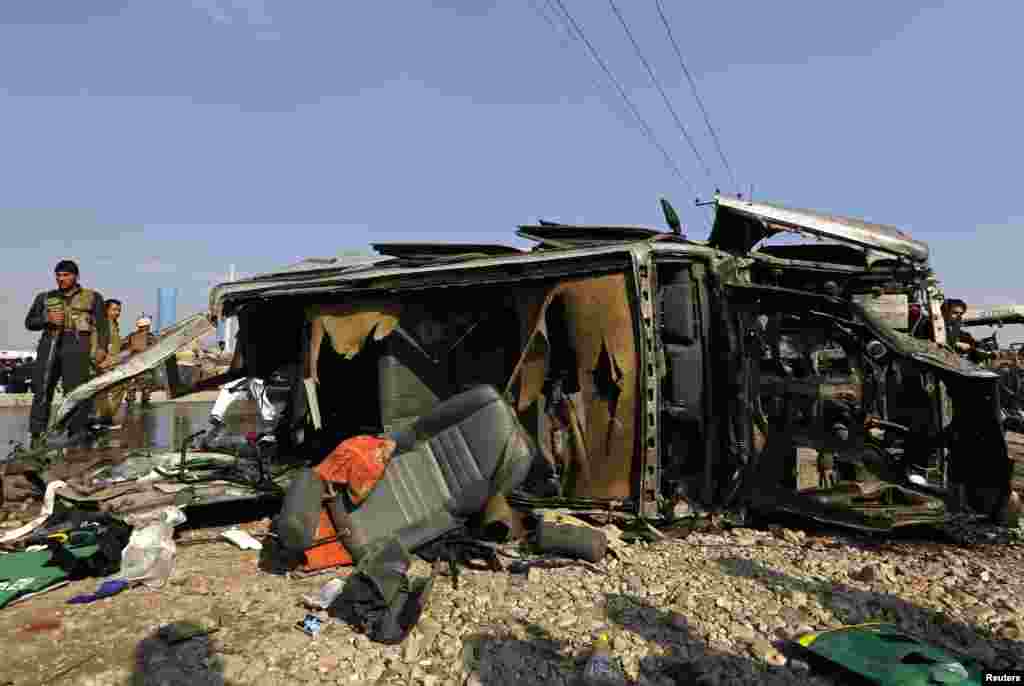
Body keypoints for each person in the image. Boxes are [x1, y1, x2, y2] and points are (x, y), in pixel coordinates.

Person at [24, 260, 108, 446]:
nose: (60, 279)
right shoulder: (44, 297)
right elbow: (29, 322)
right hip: (49, 345)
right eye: (58, 275)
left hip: (77, 347)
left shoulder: (93, 297)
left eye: (65, 275)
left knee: (75, 392)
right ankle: (37, 436)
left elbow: (102, 325)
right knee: (42, 390)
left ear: (76, 276)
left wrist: (102, 348)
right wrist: (47, 318)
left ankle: (75, 434)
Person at [93, 299, 125, 423]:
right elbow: (97, 343)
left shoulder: (114, 325)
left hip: (114, 363)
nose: (117, 313)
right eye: (114, 309)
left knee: (115, 390)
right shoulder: (103, 324)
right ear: (106, 310)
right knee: (105, 392)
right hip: (105, 363)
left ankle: (104, 418)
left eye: (119, 310)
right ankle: (103, 419)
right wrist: (100, 361)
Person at [125, 316, 158, 406]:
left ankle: (130, 404)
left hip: (132, 364)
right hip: (145, 365)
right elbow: (155, 349)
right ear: (148, 326)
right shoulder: (151, 336)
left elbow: (124, 347)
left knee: (131, 387)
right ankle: (145, 405)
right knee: (146, 388)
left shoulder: (131, 336)